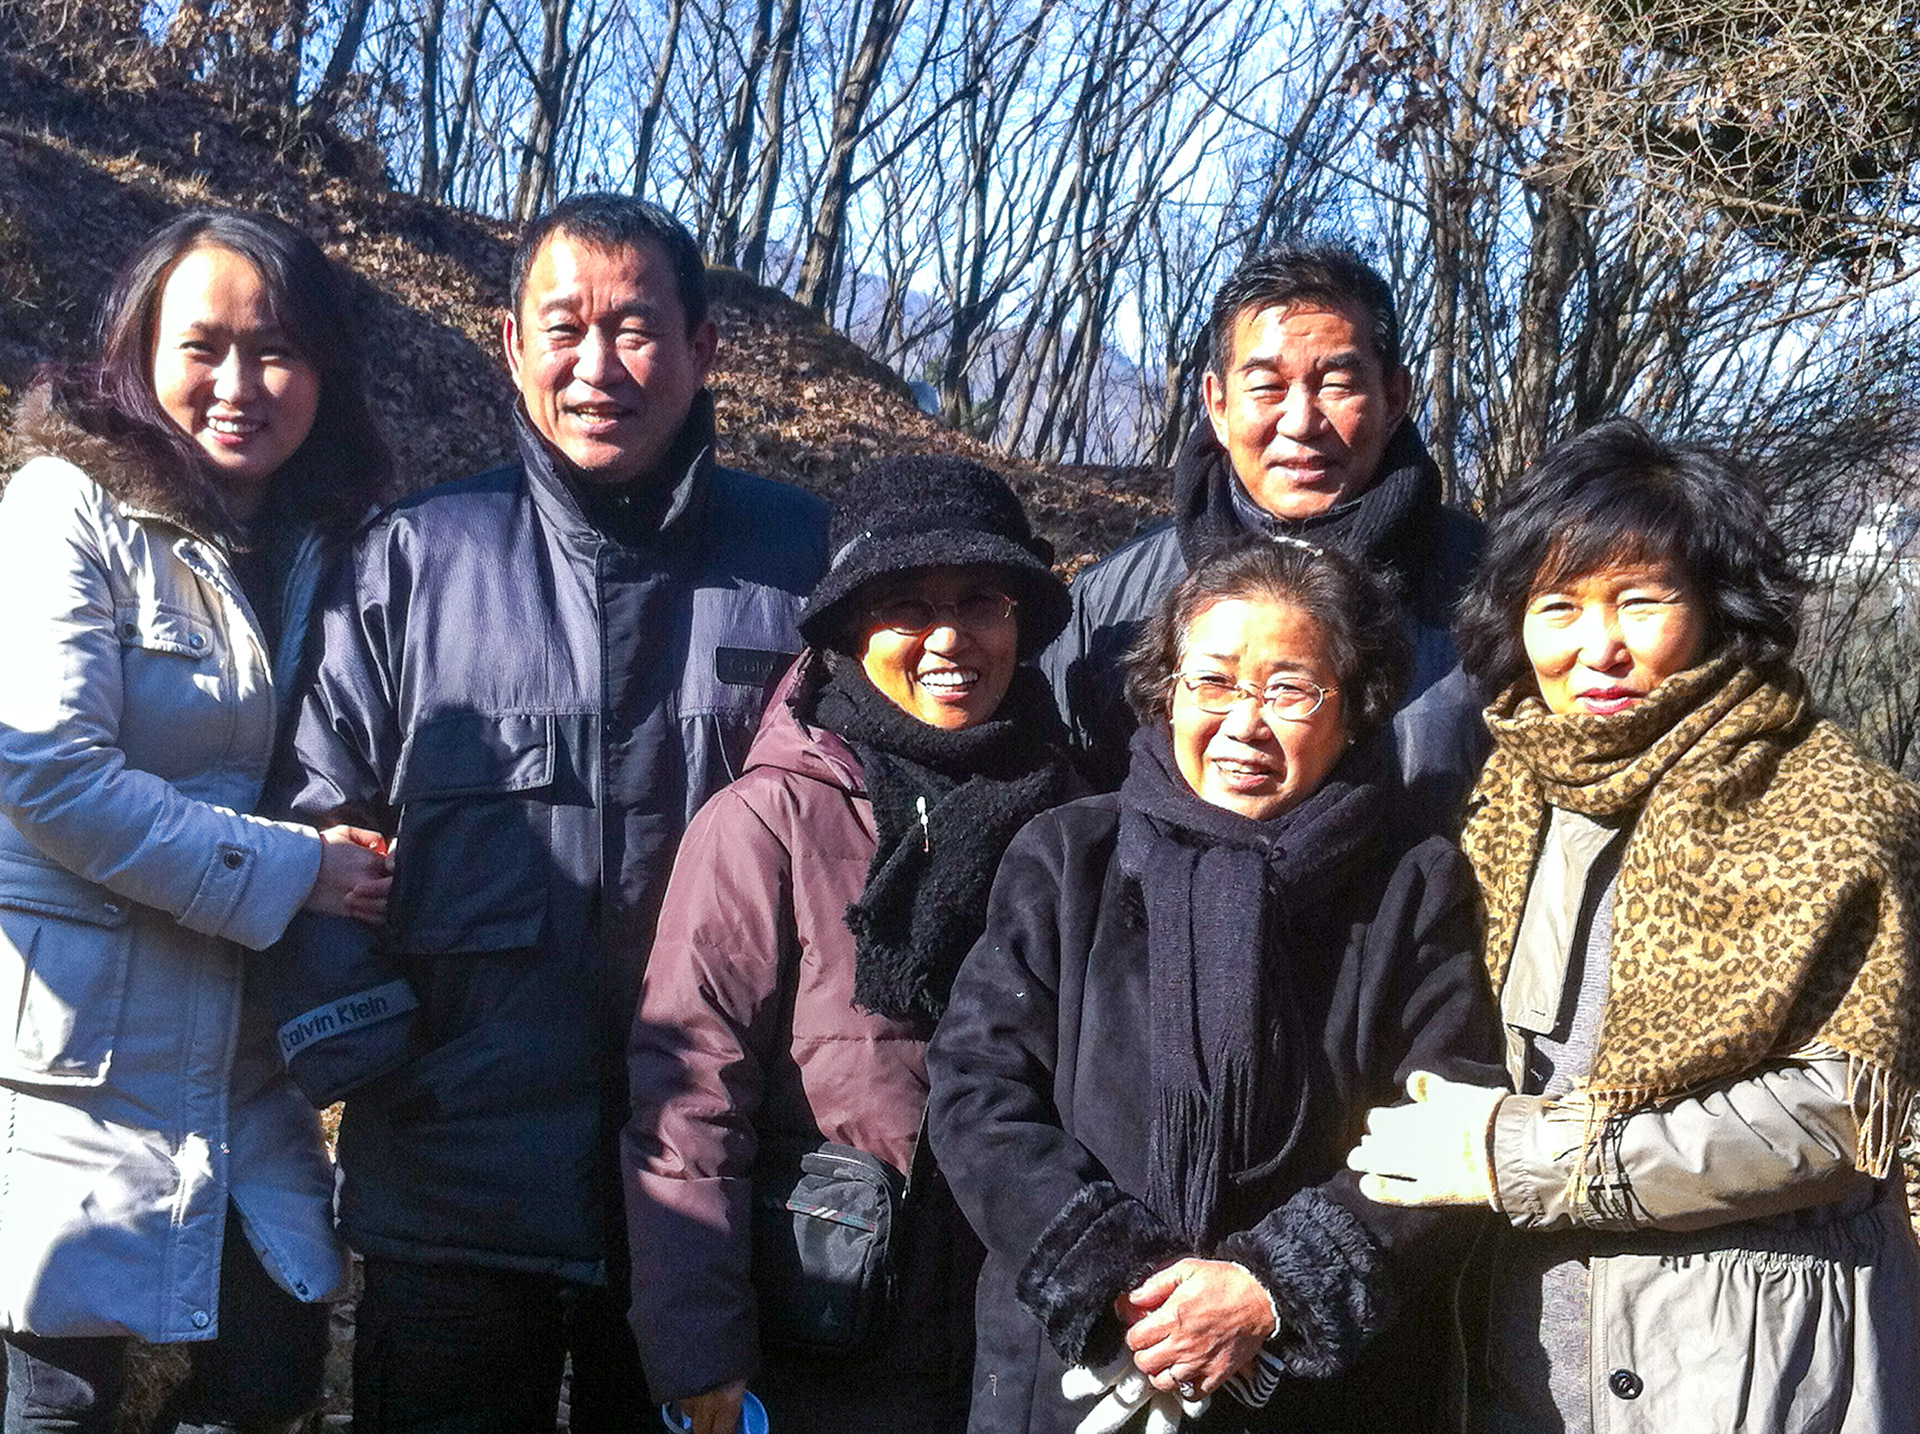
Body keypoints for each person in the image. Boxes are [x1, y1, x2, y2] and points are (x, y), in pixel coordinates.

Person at [260, 194, 829, 1433]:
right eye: (563, 328)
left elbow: (858, 843)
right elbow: (312, 819)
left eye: (636, 328)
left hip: (710, 1205)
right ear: (512, 347)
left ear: (702, 348)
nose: (597, 365)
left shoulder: (803, 567)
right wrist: (379, 1058)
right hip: (454, 1184)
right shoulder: (413, 560)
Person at [1347, 418, 1920, 1432]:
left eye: (1641, 601)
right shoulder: (1497, 802)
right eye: (1558, 606)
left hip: (1752, 1365)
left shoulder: (1833, 809)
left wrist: (1519, 1157)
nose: (1596, 646)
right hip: (1518, 1361)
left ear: (1718, 606)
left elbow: (1836, 1119)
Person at [928, 540, 1502, 1434]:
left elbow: (1446, 1121)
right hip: (1079, 1375)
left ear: (1356, 708)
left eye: (1289, 690)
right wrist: (1125, 1278)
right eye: (1214, 683)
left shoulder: (1412, 884)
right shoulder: (1069, 856)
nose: (1244, 723)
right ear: (1166, 693)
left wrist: (1270, 1288)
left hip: (1319, 1395)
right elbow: (978, 1090)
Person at [0, 210, 394, 1434]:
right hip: (76, 1061)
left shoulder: (327, 547)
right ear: (137, 349)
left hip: (243, 1061)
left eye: (276, 350)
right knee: (55, 1397)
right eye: (203, 346)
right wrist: (300, 870)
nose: (239, 384)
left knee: (271, 1376)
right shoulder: (66, 506)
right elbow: (48, 774)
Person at [625, 456, 1079, 1434]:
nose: (949, 639)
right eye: (907, 607)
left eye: (982, 601)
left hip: (1034, 1341)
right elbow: (690, 1094)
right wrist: (699, 1346)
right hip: (829, 1333)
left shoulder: (1081, 820)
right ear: (848, 631)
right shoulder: (768, 824)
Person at [1043, 244, 1485, 823]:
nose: (1301, 422)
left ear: (1395, 398)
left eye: (1336, 384)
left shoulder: (1494, 594)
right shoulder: (1109, 604)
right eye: (1267, 386)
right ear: (1217, 404)